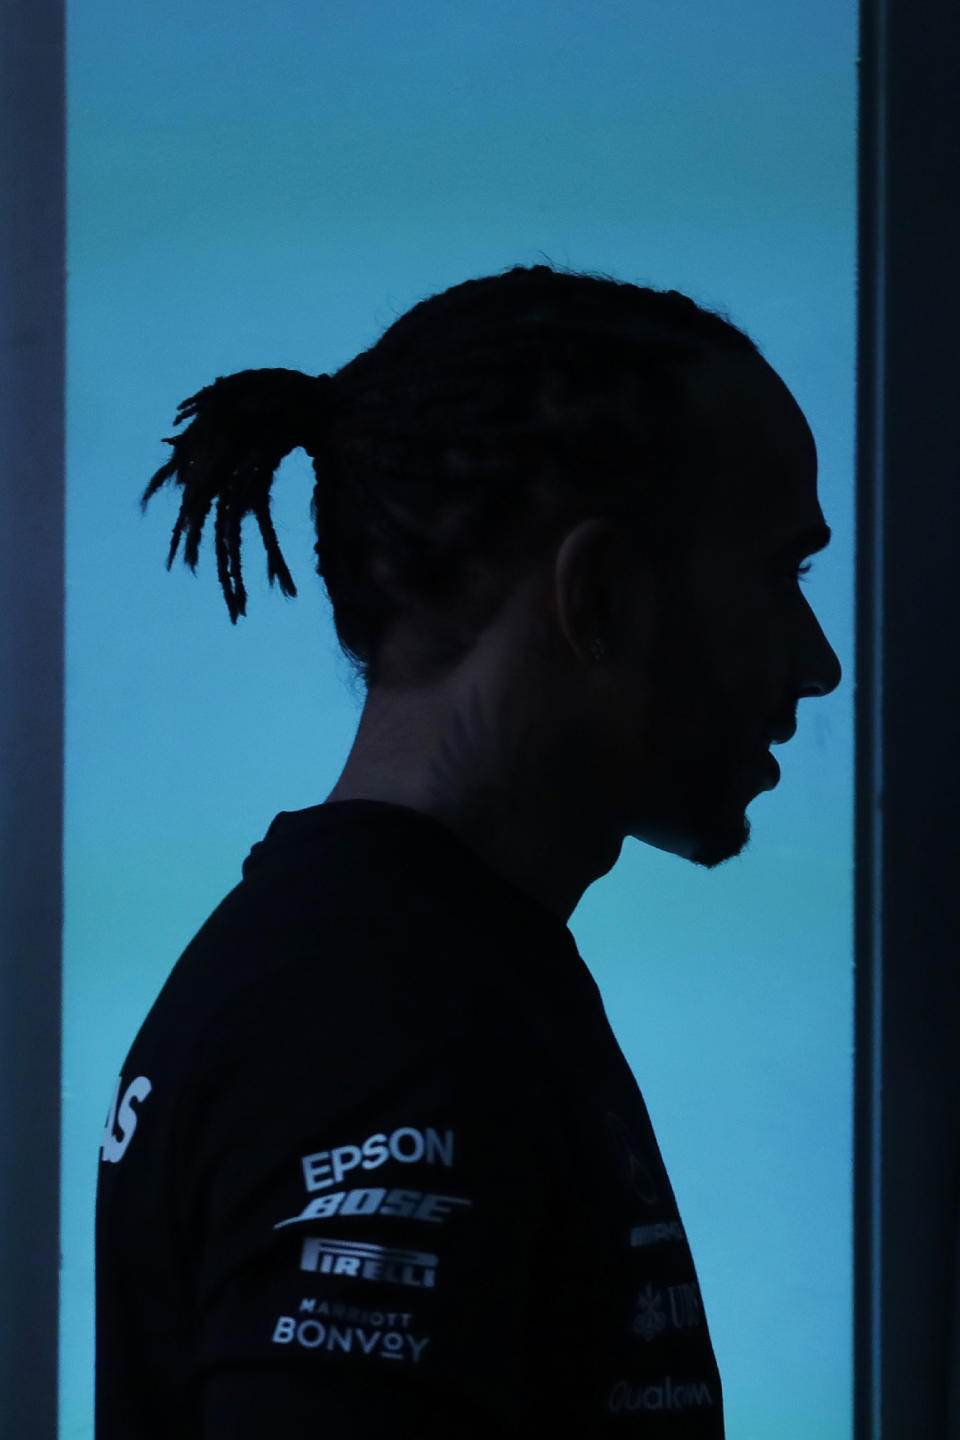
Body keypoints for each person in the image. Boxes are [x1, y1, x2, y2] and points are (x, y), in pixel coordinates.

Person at [95, 262, 842, 1439]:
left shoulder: (412, 976)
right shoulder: (383, 1026)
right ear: (595, 596)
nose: (817, 661)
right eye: (779, 576)